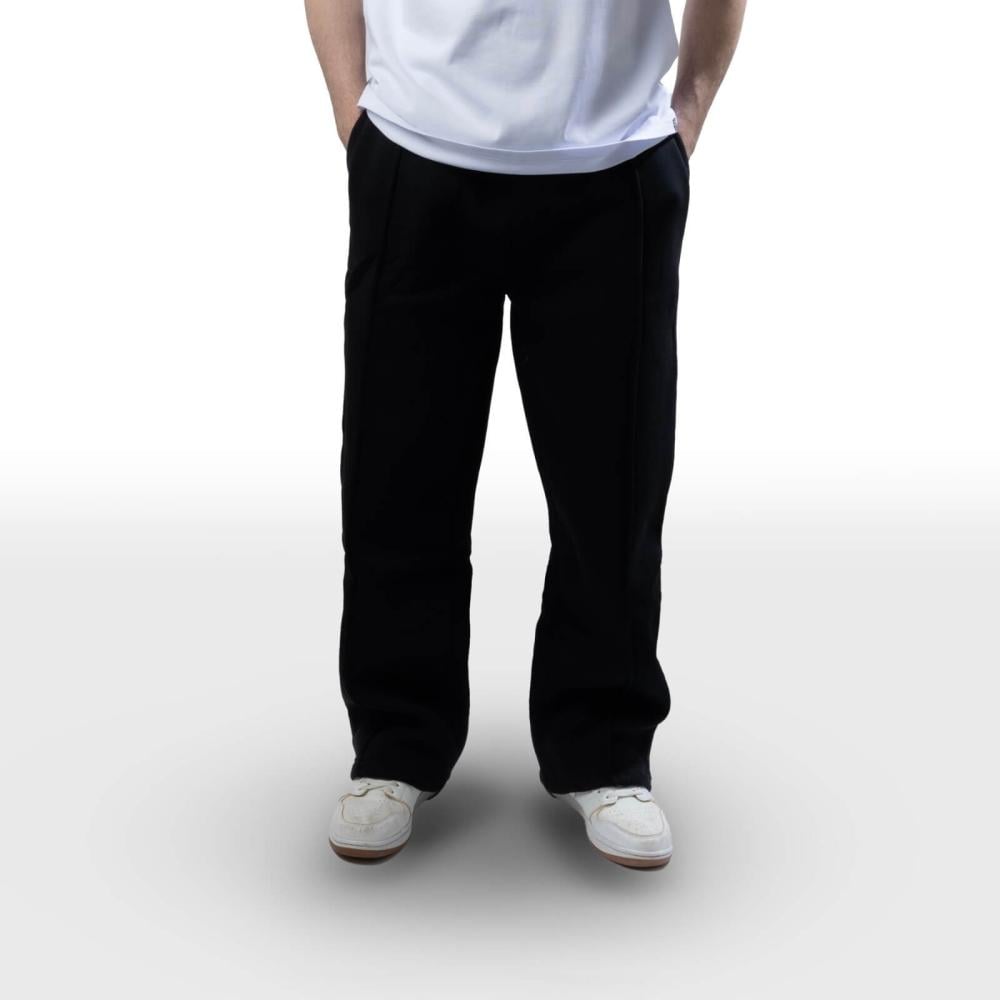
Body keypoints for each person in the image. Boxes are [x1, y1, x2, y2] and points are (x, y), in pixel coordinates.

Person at [305, 0, 746, 869]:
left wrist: (689, 105)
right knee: (398, 479)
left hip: (612, 160)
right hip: (417, 148)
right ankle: (395, 746)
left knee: (613, 489)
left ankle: (606, 752)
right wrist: (353, 114)